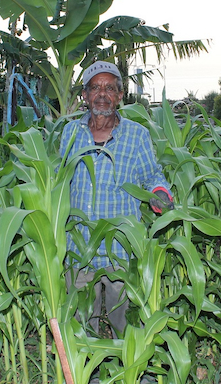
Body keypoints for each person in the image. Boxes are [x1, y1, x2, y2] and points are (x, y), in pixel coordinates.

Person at [60, 61, 173, 336]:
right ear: (84, 96)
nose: (102, 93)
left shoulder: (137, 135)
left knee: (126, 327)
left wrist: (160, 193)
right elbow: (60, 181)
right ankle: (91, 376)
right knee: (82, 328)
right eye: (95, 87)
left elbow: (152, 175)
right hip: (79, 249)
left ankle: (132, 373)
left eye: (110, 87)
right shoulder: (70, 133)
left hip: (120, 252)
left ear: (120, 96)